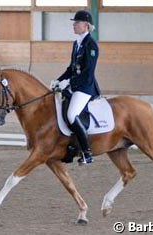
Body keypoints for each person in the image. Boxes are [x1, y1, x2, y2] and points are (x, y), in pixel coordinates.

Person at [51, 10, 101, 164]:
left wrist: (70, 83)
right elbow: (71, 68)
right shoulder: (76, 43)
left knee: (72, 115)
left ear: (86, 25)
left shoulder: (91, 45)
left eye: (77, 23)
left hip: (85, 87)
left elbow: (87, 72)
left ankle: (87, 153)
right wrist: (59, 80)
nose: (74, 25)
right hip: (75, 84)